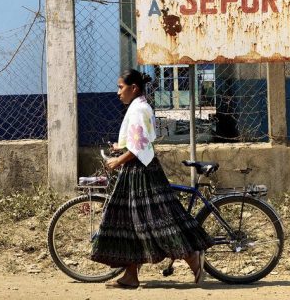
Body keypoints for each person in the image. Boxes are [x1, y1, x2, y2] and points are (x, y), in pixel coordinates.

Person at [90, 69, 213, 289]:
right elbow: (140, 140)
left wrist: (117, 161)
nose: (118, 92)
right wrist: (121, 146)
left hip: (140, 172)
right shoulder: (140, 106)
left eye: (121, 87)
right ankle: (131, 275)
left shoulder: (138, 109)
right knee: (133, 221)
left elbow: (139, 146)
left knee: (156, 221)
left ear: (133, 88)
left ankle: (192, 258)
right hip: (140, 168)